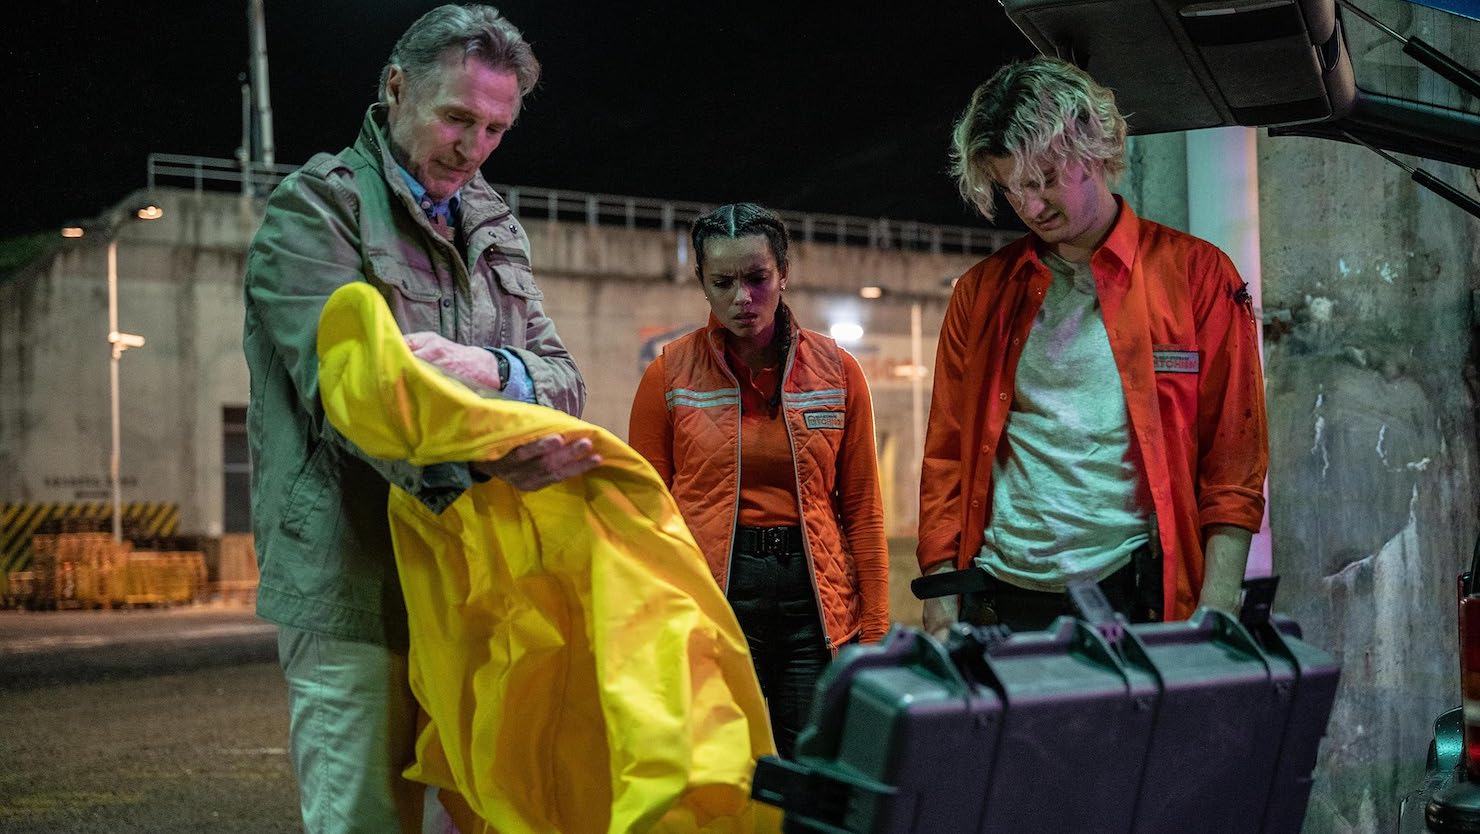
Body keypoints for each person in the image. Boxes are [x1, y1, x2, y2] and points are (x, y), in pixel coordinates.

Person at [243, 6, 596, 831]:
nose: (474, 148)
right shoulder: (315, 212)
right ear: (397, 89)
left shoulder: (494, 225)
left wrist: (495, 369)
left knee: (486, 814)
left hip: (476, 587)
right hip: (357, 585)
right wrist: (485, 457)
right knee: (367, 818)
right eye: (457, 118)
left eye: (496, 130)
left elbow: (565, 379)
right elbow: (351, 397)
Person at [917, 57, 1268, 635]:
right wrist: (940, 591)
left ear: (1095, 150)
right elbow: (947, 457)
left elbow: (1234, 456)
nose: (1031, 207)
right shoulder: (980, 295)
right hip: (1001, 596)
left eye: (1046, 178)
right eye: (1013, 189)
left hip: (1134, 594)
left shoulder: (1198, 276)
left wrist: (1219, 601)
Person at [627, 202, 890, 758]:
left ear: (783, 273)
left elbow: (863, 508)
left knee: (811, 765)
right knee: (723, 763)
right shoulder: (667, 375)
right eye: (722, 283)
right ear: (702, 283)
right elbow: (644, 517)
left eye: (757, 278)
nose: (742, 298)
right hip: (714, 596)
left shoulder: (839, 372)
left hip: (813, 600)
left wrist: (874, 630)